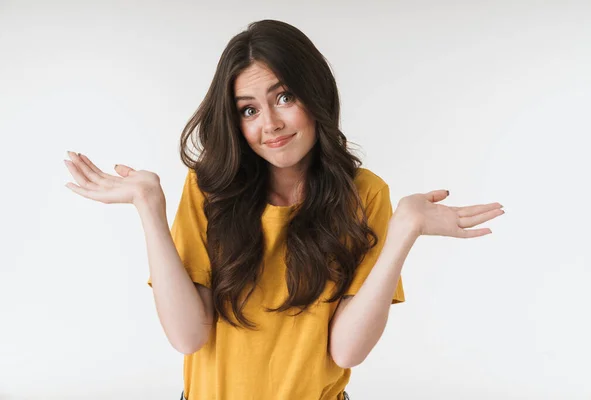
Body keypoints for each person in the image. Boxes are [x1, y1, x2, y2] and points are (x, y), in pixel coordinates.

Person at [64, 19, 504, 400]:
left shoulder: (365, 194)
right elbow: (187, 336)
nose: (269, 124)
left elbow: (347, 352)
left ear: (315, 95)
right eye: (249, 109)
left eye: (285, 97)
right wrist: (149, 208)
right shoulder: (209, 188)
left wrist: (404, 230)